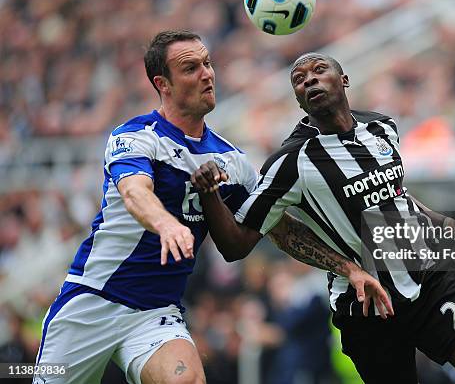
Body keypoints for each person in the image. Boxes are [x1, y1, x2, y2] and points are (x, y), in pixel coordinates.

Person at [34, 34, 392, 384]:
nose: (207, 74)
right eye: (191, 68)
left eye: (207, 63)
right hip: (92, 303)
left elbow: (280, 230)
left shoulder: (231, 161)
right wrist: (166, 225)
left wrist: (348, 268)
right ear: (164, 84)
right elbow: (134, 192)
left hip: (155, 313)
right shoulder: (136, 136)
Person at [191, 52, 455, 383]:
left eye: (319, 70)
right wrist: (208, 193)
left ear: (343, 80)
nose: (309, 80)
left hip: (432, 278)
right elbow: (236, 244)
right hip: (366, 305)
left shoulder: (381, 127)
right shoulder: (291, 163)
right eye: (299, 79)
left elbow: (397, 199)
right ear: (298, 100)